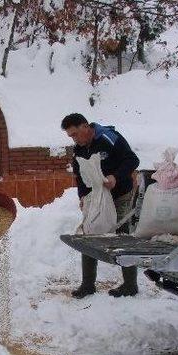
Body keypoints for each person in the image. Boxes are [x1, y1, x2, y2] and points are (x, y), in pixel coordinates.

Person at [61, 113, 140, 298]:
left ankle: (130, 285)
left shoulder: (109, 138)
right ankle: (88, 285)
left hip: (120, 195)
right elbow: (80, 176)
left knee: (122, 236)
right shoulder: (79, 149)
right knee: (89, 235)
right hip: (96, 198)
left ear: (85, 127)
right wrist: (82, 197)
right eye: (70, 136)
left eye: (74, 134)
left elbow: (132, 160)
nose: (74, 139)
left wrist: (115, 177)